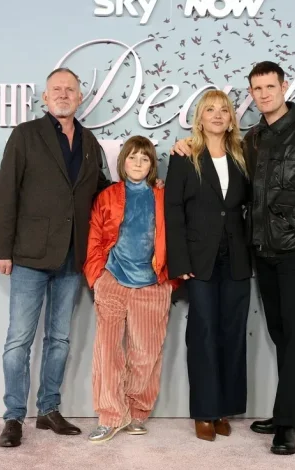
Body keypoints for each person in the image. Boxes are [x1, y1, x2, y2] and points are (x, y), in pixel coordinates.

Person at [171, 61, 295, 455]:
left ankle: (285, 424)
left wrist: (290, 220)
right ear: (251, 94)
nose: (264, 94)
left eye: (270, 86)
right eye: (257, 89)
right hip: (262, 252)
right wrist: (185, 144)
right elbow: (224, 182)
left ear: (284, 87)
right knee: (281, 331)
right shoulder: (251, 141)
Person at [0, 67, 114, 448]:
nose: (63, 94)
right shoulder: (25, 135)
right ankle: (13, 418)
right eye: (56, 89)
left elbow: (101, 191)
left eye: (70, 89)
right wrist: (1, 248)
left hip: (72, 257)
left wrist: (141, 185)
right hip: (28, 254)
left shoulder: (89, 141)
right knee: (19, 341)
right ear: (45, 98)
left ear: (79, 98)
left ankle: (48, 409)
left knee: (59, 338)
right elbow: (6, 191)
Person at [164, 90, 252, 442]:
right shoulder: (185, 156)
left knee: (232, 333)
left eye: (224, 110)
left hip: (237, 258)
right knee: (202, 334)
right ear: (199, 118)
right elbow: (173, 211)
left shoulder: (244, 156)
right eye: (210, 110)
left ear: (232, 118)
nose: (217, 115)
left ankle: (224, 408)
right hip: (198, 260)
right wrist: (180, 260)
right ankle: (204, 410)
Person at [82, 136, 180, 443]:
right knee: (107, 352)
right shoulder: (108, 195)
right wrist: (98, 277)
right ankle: (110, 415)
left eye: (145, 159)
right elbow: (95, 237)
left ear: (152, 165)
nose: (138, 164)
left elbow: (177, 238)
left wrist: (169, 279)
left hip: (152, 285)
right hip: (112, 281)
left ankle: (137, 413)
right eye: (133, 158)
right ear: (123, 161)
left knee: (146, 353)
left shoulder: (163, 196)